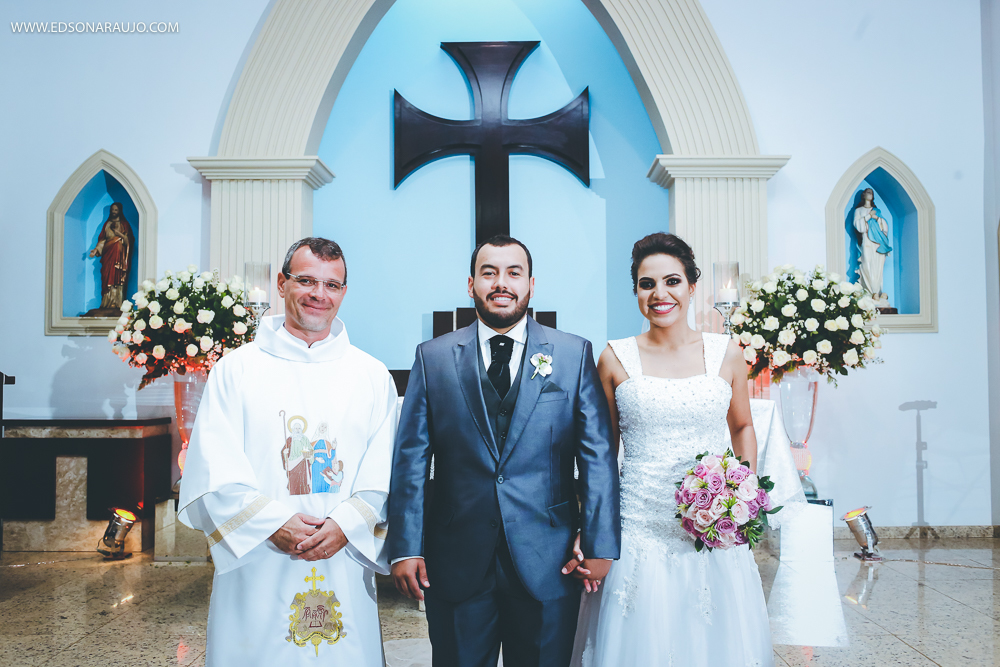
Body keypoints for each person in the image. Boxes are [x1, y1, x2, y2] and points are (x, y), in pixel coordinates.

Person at [389, 234, 621, 667]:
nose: (502, 283)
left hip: (548, 559)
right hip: (455, 557)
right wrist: (406, 546)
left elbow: (597, 458)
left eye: (513, 272)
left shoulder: (573, 354)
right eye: (489, 272)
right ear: (471, 283)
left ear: (532, 284)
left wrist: (600, 542)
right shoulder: (433, 358)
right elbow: (411, 461)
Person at [178, 237, 398, 666]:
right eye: (307, 281)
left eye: (332, 285)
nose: (320, 295)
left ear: (344, 293)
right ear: (281, 284)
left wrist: (345, 524)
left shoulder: (371, 375)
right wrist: (274, 523)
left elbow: (386, 469)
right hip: (260, 556)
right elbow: (214, 467)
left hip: (343, 554)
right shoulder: (235, 371)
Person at [571, 232, 774, 666]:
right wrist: (592, 528)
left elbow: (741, 427)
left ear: (692, 286)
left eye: (672, 281)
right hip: (638, 527)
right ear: (636, 292)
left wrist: (742, 494)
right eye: (647, 284)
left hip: (712, 533)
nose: (659, 294)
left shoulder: (727, 353)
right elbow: (600, 455)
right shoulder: (614, 358)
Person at [87, 202, 134, 314]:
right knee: (107, 277)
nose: (113, 212)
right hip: (108, 256)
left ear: (120, 211)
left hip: (119, 257)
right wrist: (96, 250)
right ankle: (107, 303)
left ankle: (118, 303)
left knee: (117, 278)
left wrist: (120, 234)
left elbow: (129, 242)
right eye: (112, 210)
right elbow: (103, 240)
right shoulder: (107, 224)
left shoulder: (124, 224)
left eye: (116, 210)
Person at [852, 187, 892, 304]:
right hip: (867, 242)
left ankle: (877, 293)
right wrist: (869, 216)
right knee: (867, 264)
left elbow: (884, 227)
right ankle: (868, 293)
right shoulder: (858, 211)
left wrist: (877, 218)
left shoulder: (877, 211)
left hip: (878, 244)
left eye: (872, 193)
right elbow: (859, 226)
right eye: (868, 192)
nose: (870, 194)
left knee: (878, 267)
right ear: (863, 195)